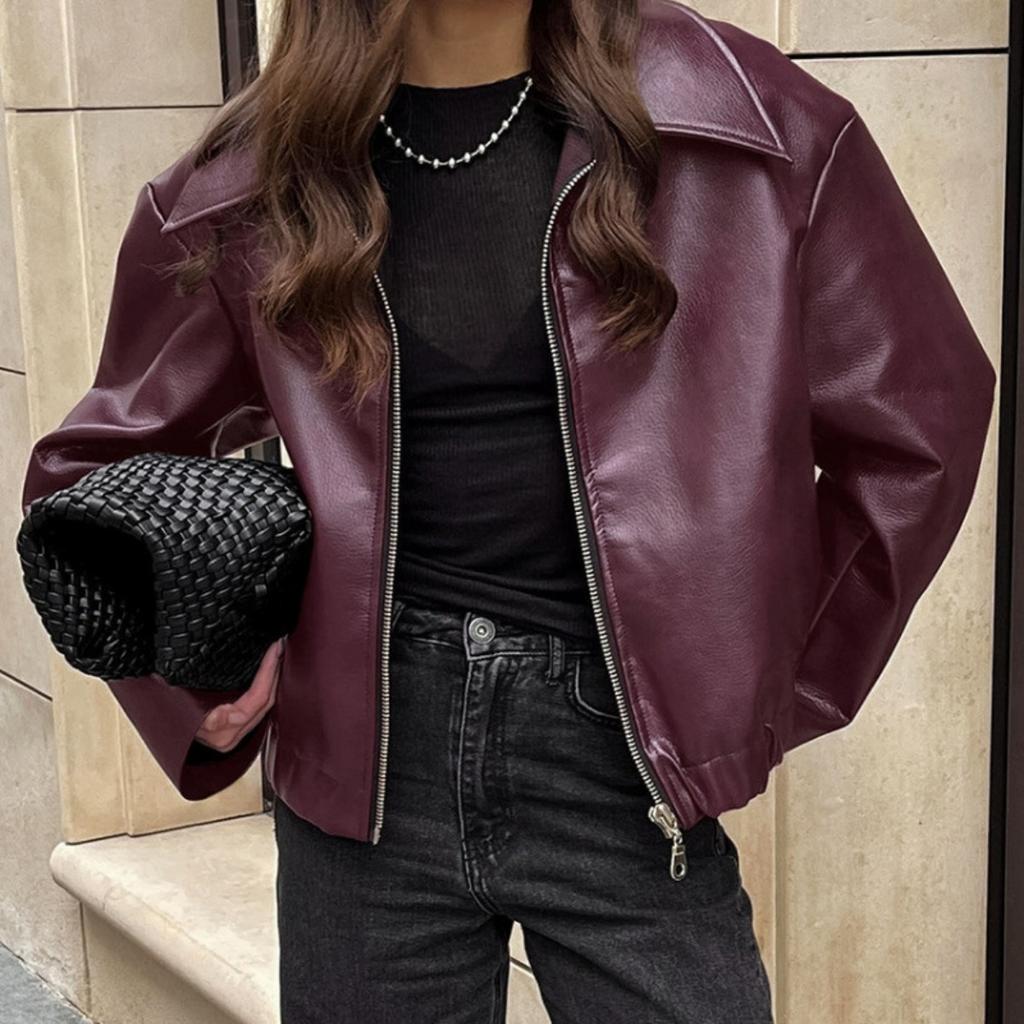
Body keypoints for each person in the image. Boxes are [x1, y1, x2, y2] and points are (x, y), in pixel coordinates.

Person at [19, 0, 996, 1021]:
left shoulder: (748, 122)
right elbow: (85, 485)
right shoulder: (252, 181)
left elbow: (920, 416)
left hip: (618, 763)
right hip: (365, 763)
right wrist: (194, 685)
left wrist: (761, 686)